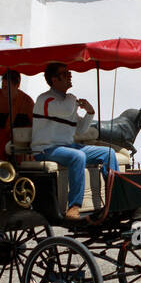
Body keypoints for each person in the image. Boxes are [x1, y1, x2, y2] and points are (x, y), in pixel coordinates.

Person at [33, 62, 119, 221]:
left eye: (69, 73)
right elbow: (65, 109)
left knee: (108, 153)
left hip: (67, 147)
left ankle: (116, 199)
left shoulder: (67, 101)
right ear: (54, 79)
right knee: (78, 156)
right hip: (46, 149)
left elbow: (80, 129)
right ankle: (74, 206)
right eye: (65, 74)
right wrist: (73, 100)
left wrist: (90, 112)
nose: (70, 76)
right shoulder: (45, 100)